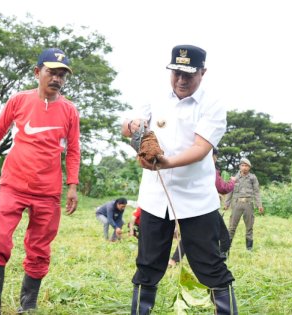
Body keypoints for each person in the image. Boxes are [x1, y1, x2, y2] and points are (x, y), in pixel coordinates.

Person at [0, 48, 80, 315]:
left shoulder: (70, 111)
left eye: (62, 75)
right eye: (51, 72)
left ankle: (28, 305)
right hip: (13, 184)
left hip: (48, 191)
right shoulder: (19, 100)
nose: (57, 78)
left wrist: (72, 186)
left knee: (39, 249)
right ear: (38, 73)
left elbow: (73, 150)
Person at [122, 44, 237, 314]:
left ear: (203, 72)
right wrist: (134, 128)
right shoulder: (155, 96)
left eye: (189, 74)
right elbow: (127, 125)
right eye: (176, 73)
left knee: (210, 266)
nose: (181, 80)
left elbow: (200, 148)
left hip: (196, 199)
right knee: (148, 266)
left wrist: (165, 163)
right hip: (154, 197)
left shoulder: (213, 105)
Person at [168, 147, 235, 267]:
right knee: (224, 236)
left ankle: (174, 260)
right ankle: (220, 260)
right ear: (212, 156)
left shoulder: (192, 166)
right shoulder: (209, 169)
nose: (215, 159)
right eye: (215, 157)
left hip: (192, 206)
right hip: (207, 208)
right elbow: (222, 188)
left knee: (190, 234)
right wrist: (232, 182)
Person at [224, 157, 263, 251]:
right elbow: (229, 191)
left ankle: (249, 249)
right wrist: (227, 203)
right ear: (239, 166)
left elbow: (257, 192)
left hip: (248, 204)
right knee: (232, 227)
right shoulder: (234, 178)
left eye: (246, 166)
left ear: (249, 167)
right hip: (237, 204)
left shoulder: (253, 178)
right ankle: (226, 248)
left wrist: (259, 205)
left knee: (249, 227)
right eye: (242, 165)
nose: (244, 167)